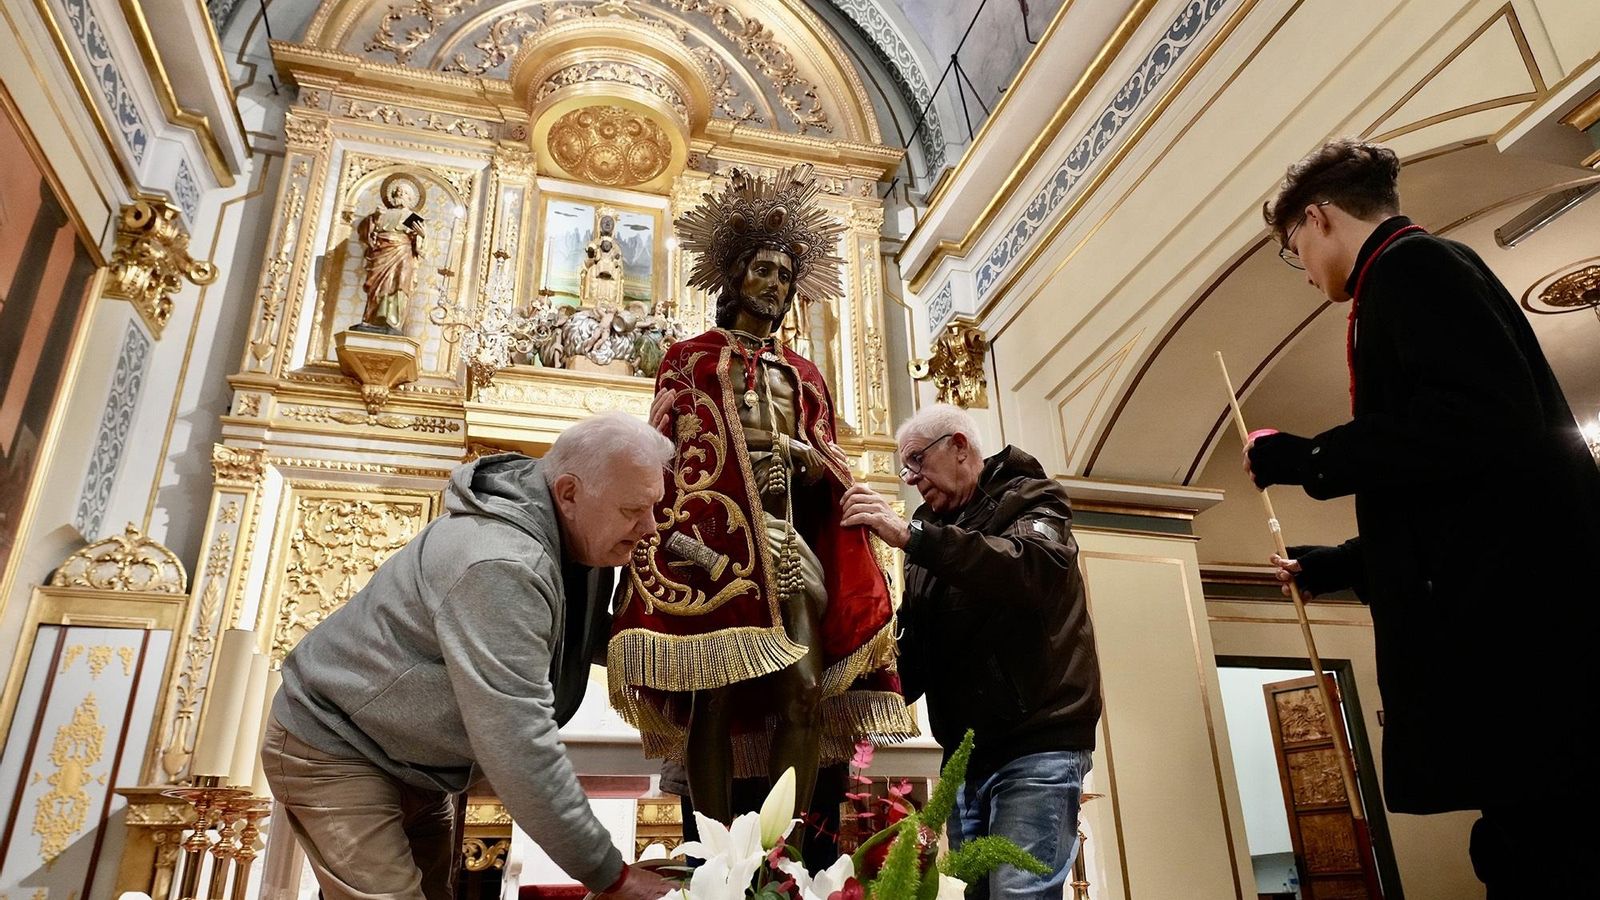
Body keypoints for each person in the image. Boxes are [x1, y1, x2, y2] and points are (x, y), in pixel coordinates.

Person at [1245, 138, 1599, 896]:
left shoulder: (1414, 269)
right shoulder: (1409, 276)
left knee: (1550, 855)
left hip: (1528, 652)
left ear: (1320, 216)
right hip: (1520, 636)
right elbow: (1463, 498)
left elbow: (1475, 427)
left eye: (1293, 247)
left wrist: (1308, 459)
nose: (1302, 267)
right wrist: (1340, 565)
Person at [609, 164, 916, 827]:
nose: (775, 284)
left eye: (785, 275)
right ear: (735, 277)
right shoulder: (689, 358)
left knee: (803, 695)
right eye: (764, 270)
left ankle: (784, 855)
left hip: (788, 540)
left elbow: (828, 456)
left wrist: (805, 461)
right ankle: (718, 852)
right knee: (714, 697)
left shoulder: (804, 374)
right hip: (718, 545)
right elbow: (671, 453)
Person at [261, 412, 678, 900]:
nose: (650, 528)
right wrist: (612, 875)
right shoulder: (500, 563)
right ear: (568, 493)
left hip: (414, 763)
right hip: (337, 746)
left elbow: (580, 638)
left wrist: (701, 654)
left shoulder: (572, 536)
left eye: (652, 507)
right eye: (633, 510)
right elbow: (520, 745)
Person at [841, 403, 1103, 900]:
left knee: (1018, 894)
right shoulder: (929, 537)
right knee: (975, 893)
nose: (913, 478)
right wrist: (845, 684)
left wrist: (912, 537)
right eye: (907, 468)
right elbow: (915, 652)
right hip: (965, 756)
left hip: (1037, 744)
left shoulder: (1031, 499)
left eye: (917, 460)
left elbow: (1029, 572)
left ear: (959, 445)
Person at [354, 173, 426, 334]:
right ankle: (372, 318)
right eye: (398, 191)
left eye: (405, 192)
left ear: (410, 199)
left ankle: (392, 321)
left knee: (398, 284)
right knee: (378, 286)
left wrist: (422, 236)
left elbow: (420, 248)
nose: (400, 194)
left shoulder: (412, 217)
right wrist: (374, 218)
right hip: (381, 253)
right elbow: (366, 234)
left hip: (402, 253)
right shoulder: (383, 213)